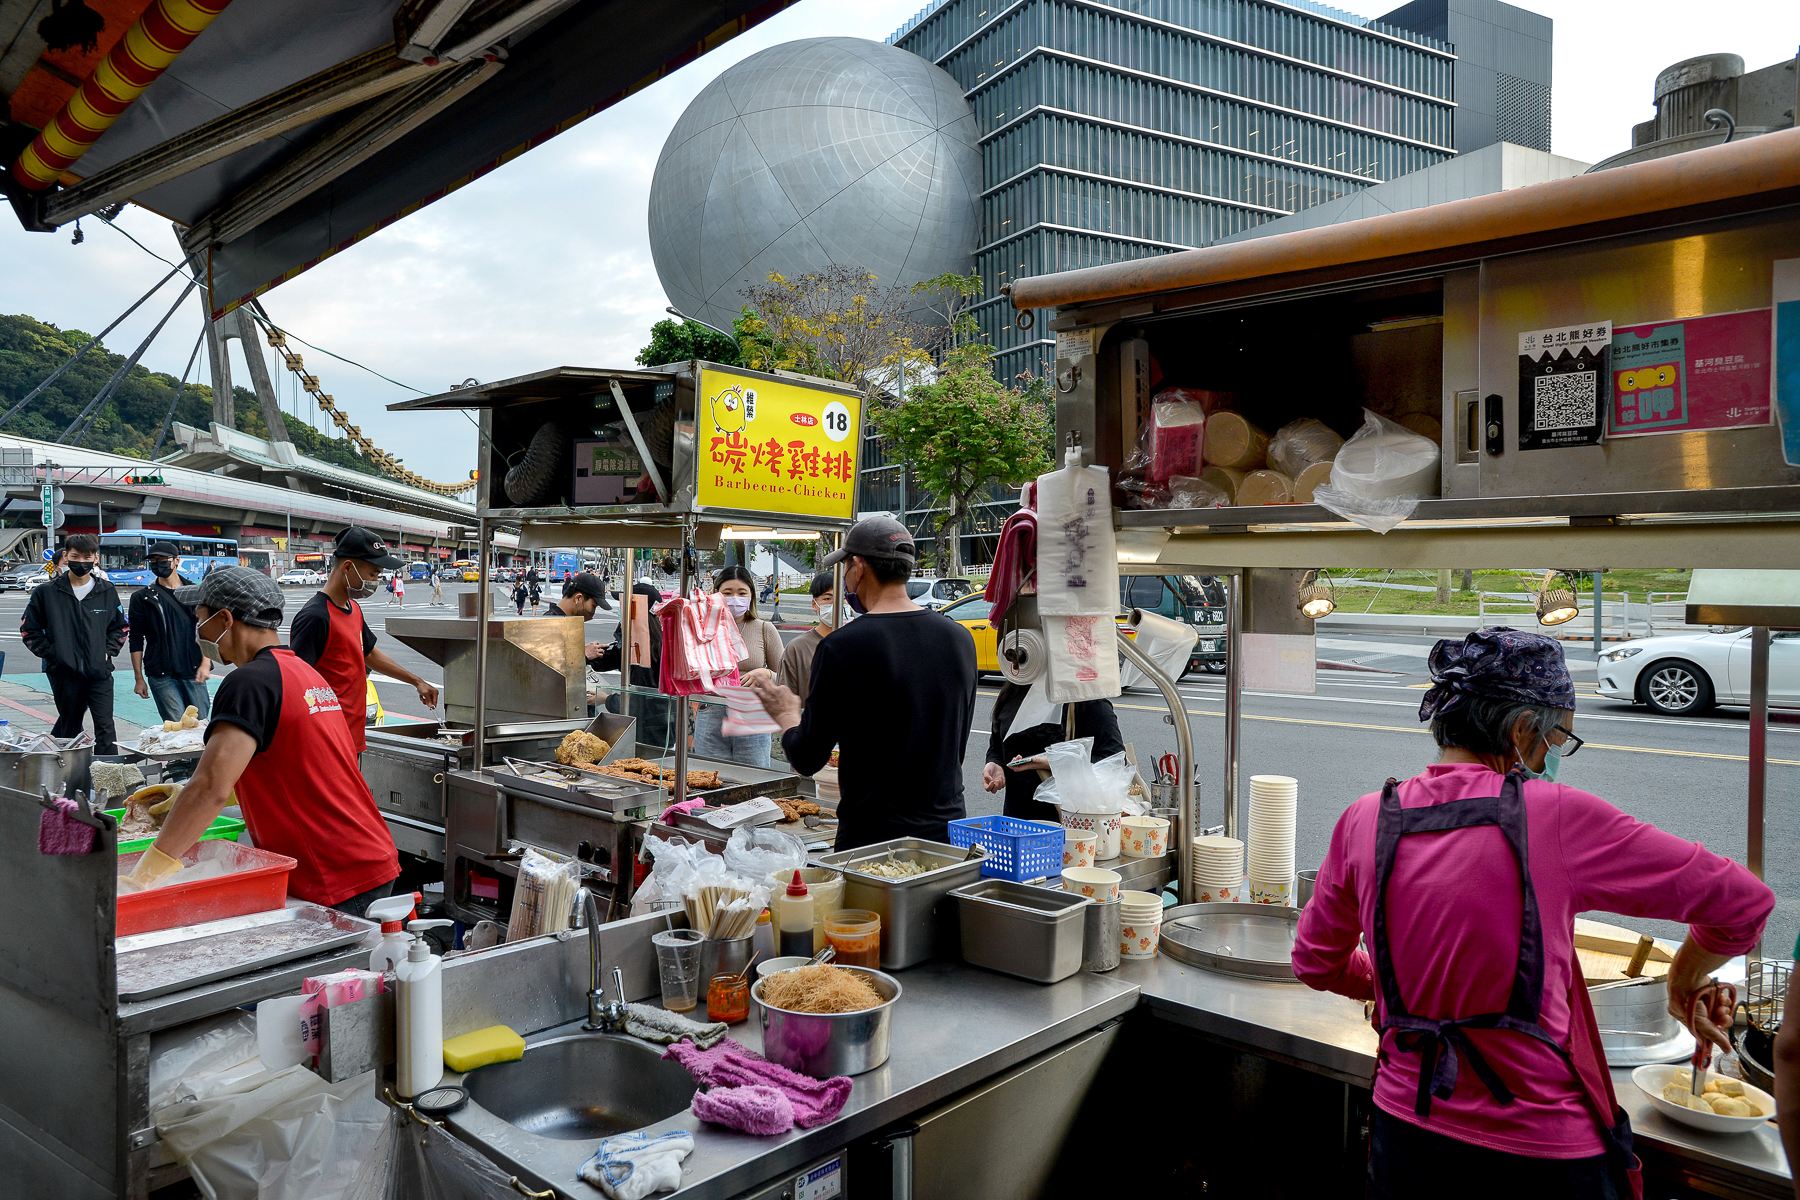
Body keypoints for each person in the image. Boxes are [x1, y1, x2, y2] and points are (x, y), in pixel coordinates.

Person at [1292, 627, 1774, 1200]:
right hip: (1541, 1157)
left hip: (1408, 1136)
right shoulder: (1557, 817)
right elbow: (1743, 903)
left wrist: (1401, 994)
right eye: (1555, 737)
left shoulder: (1363, 818)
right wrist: (1684, 978)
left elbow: (1316, 962)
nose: (1549, 755)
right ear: (1522, 731)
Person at [116, 569, 400, 915]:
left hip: (334, 870)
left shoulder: (249, 683)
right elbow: (293, 766)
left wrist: (143, 877)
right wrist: (186, 792)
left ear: (224, 619)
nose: (198, 631)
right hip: (367, 853)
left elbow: (209, 789)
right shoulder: (304, 673)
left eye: (200, 618)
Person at [749, 516, 976, 849]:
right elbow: (956, 745)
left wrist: (786, 714)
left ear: (858, 566)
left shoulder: (842, 646)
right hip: (946, 833)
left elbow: (808, 758)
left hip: (871, 836)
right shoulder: (959, 638)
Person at [291, 527, 440, 755]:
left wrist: (416, 681)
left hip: (352, 738)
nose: (376, 581)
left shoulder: (354, 609)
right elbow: (295, 685)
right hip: (326, 744)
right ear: (348, 567)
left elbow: (369, 654)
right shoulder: (315, 617)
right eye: (373, 574)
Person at [21, 533, 126, 753]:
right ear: (66, 557)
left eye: (87, 556)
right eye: (75, 556)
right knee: (69, 729)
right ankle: (69, 779)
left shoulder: (106, 591)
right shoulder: (47, 592)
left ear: (95, 558)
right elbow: (28, 629)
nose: (81, 561)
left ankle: (109, 776)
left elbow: (120, 627)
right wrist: (54, 653)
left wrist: (107, 652)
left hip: (99, 673)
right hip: (64, 674)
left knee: (105, 727)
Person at [981, 687, 1123, 822]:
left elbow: (1114, 759)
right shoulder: (1013, 691)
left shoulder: (1085, 698)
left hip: (1066, 826)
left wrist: (1053, 762)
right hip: (1016, 821)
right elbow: (997, 744)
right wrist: (995, 763)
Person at [694, 564, 785, 767]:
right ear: (716, 594)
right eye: (727, 592)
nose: (735, 598)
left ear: (751, 595)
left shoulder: (764, 629)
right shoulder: (702, 629)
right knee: (708, 775)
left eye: (741, 592)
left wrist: (766, 673)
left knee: (753, 777)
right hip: (711, 710)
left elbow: (785, 676)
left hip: (752, 712)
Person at [128, 541, 212, 723]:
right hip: (161, 674)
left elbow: (208, 630)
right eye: (153, 560)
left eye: (163, 559)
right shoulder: (141, 598)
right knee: (176, 725)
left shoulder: (196, 592)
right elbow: (135, 638)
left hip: (193, 670)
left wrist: (206, 664)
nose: (158, 564)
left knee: (201, 725)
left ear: (176, 560)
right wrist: (138, 678)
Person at [775, 571, 838, 705]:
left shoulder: (861, 644)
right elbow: (785, 703)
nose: (836, 604)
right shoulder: (798, 648)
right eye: (827, 599)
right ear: (815, 604)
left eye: (842, 598)